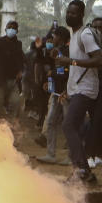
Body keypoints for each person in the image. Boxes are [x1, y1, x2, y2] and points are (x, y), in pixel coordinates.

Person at [56, 0, 102, 183]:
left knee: (68, 126)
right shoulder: (74, 34)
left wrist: (70, 62)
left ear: (82, 15)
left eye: (74, 13)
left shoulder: (84, 34)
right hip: (77, 89)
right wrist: (66, 90)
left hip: (86, 89)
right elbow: (77, 68)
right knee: (75, 128)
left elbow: (99, 60)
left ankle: (82, 169)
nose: (70, 16)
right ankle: (85, 173)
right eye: (68, 12)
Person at [35, 27, 71, 165]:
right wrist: (50, 82)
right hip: (57, 93)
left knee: (69, 124)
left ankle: (71, 156)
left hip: (66, 94)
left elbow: (68, 73)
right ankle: (51, 154)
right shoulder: (57, 51)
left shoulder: (67, 52)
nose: (52, 39)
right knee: (50, 122)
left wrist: (53, 75)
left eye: (54, 36)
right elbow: (57, 70)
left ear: (60, 38)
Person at [83, 17, 102, 168]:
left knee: (98, 122)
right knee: (94, 121)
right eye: (94, 27)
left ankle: (96, 155)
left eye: (100, 27)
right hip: (90, 85)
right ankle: (91, 155)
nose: (97, 30)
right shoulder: (87, 44)